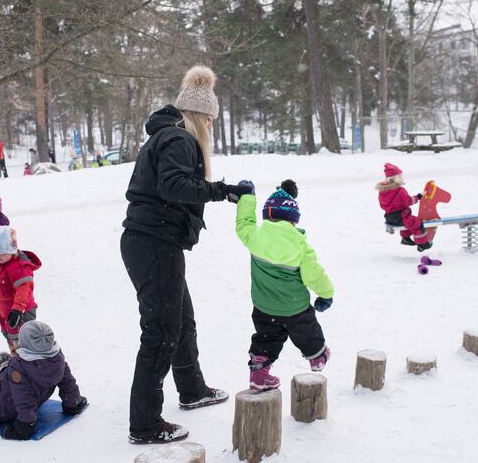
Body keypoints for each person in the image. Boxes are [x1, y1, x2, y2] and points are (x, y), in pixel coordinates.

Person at [120, 65, 252, 444]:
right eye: (209, 120)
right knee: (161, 331)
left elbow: (174, 185)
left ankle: (192, 389)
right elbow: (175, 186)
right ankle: (144, 424)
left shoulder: (168, 137)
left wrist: (218, 190)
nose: (210, 128)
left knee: (182, 320)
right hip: (152, 243)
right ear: (199, 116)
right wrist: (219, 190)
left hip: (153, 242)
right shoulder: (179, 139)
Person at [234, 179, 334, 390]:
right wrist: (326, 294)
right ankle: (317, 356)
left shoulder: (255, 237)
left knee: (266, 339)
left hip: (264, 307)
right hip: (295, 306)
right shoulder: (300, 245)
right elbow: (313, 274)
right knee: (307, 330)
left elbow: (244, 223)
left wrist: (247, 197)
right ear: (293, 220)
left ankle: (259, 373)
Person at [0, 225, 40, 354]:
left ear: (12, 250)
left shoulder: (19, 266)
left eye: (3, 253)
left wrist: (17, 309)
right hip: (6, 309)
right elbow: (0, 285)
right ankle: (16, 358)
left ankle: (28, 359)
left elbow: (24, 289)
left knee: (21, 335)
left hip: (21, 310)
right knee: (9, 333)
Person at [377, 163, 431, 251]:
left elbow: (382, 205)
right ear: (397, 178)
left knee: (409, 221)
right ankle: (423, 244)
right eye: (400, 176)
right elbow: (408, 201)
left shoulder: (383, 191)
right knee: (417, 222)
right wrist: (419, 196)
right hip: (400, 217)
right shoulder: (400, 190)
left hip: (389, 218)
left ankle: (405, 239)